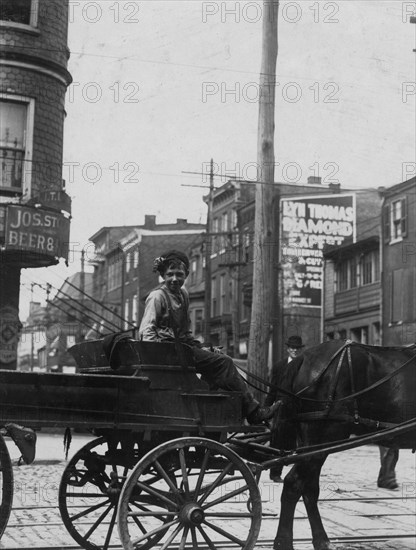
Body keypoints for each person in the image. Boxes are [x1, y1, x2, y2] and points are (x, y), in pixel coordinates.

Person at [138, 249, 278, 425]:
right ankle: (253, 411)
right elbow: (146, 331)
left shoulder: (183, 294)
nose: (175, 279)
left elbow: (184, 332)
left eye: (179, 274)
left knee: (217, 358)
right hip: (167, 354)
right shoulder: (157, 296)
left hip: (182, 349)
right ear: (162, 275)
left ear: (186, 274)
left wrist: (202, 346)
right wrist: (162, 355)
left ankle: (209, 409)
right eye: (170, 274)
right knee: (224, 362)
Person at [265, 335, 305, 482]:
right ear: (288, 349)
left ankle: (299, 471)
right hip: (282, 406)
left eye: (297, 348)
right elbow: (273, 389)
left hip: (298, 407)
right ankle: (275, 473)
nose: (294, 351)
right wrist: (266, 408)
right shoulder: (280, 366)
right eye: (292, 348)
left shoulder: (304, 365)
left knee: (301, 439)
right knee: (279, 440)